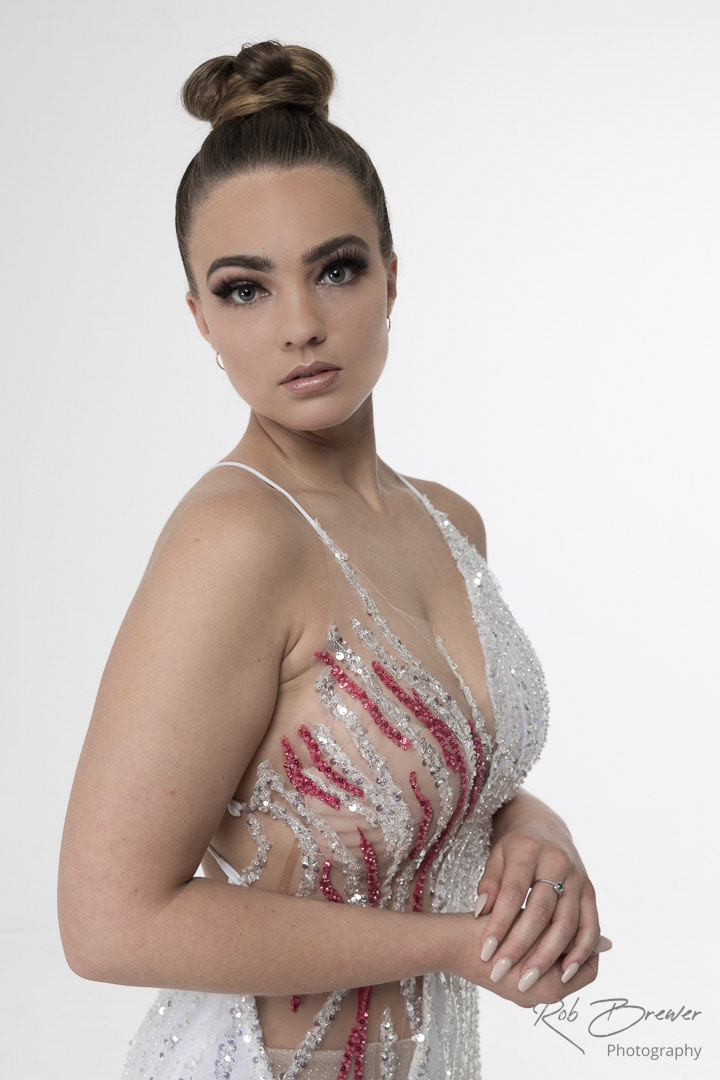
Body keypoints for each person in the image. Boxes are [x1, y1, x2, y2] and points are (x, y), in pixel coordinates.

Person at [57, 39, 610, 1080]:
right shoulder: (235, 537)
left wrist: (532, 825)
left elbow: (418, 793)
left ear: (392, 277)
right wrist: (456, 945)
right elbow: (108, 922)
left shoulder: (449, 522)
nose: (301, 326)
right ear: (199, 319)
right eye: (245, 289)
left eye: (336, 269)